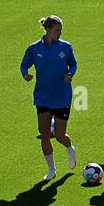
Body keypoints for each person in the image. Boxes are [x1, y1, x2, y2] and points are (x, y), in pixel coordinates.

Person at [20, 14, 78, 182]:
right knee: (44, 134)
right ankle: (51, 169)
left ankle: (69, 148)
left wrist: (70, 73)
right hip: (43, 97)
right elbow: (24, 64)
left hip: (61, 96)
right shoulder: (34, 48)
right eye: (57, 30)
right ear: (48, 30)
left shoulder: (66, 47)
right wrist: (25, 74)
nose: (60, 33)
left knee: (60, 135)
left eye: (61, 30)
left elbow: (73, 64)